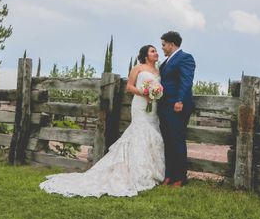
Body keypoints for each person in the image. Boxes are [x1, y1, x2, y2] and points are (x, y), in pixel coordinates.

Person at [39, 45, 165, 197]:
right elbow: (129, 87)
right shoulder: (138, 68)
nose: (156, 53)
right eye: (153, 51)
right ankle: (135, 172)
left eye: (156, 51)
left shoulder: (158, 71)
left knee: (152, 133)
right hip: (140, 104)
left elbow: (159, 87)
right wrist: (143, 92)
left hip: (153, 107)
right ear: (146, 55)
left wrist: (155, 93)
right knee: (139, 132)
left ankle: (150, 172)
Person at [158, 31, 196, 187]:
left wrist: (179, 100)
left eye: (164, 45)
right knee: (167, 141)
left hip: (177, 106)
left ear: (172, 44)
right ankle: (169, 175)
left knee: (177, 140)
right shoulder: (165, 63)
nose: (162, 48)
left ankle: (180, 178)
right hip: (165, 106)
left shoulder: (185, 58)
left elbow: (186, 80)